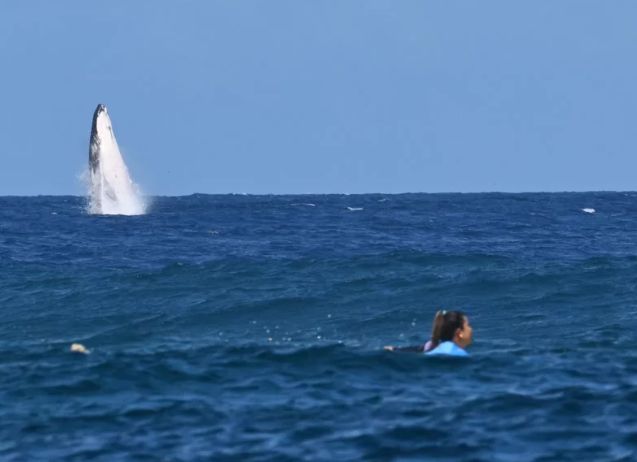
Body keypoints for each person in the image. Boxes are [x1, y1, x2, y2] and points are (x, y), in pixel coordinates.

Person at [384, 310, 473, 357]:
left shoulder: (434, 347)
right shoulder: (458, 354)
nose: (470, 329)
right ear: (459, 333)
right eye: (468, 325)